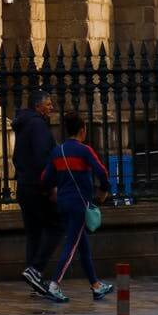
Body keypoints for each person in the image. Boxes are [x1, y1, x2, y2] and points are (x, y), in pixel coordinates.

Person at [40, 111, 114, 304]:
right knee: (72, 245)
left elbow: (45, 178)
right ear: (83, 130)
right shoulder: (84, 150)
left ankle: (96, 286)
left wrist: (51, 192)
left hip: (63, 203)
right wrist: (104, 190)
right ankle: (54, 285)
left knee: (83, 247)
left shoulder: (58, 152)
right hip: (79, 204)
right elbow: (102, 171)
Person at [11, 87, 61, 295]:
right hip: (38, 187)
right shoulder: (38, 125)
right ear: (38, 105)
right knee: (56, 226)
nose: (51, 108)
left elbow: (17, 157)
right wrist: (50, 186)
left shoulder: (24, 124)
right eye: (48, 104)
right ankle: (36, 269)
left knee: (34, 233)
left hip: (24, 185)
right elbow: (43, 160)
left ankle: (34, 278)